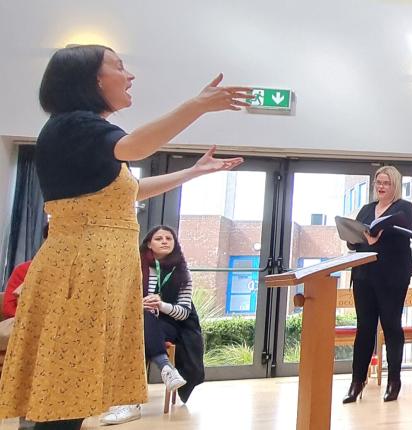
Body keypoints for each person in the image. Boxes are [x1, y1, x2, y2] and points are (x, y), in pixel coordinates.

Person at [0, 44, 246, 430]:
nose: (129, 76)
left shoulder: (79, 133)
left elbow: (128, 190)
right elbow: (137, 145)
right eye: (119, 67)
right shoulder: (75, 125)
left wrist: (193, 173)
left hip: (90, 269)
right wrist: (197, 104)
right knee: (64, 385)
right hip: (79, 271)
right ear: (93, 80)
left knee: (70, 386)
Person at [101, 226, 207, 425]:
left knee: (140, 329)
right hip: (136, 321)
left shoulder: (182, 272)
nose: (165, 241)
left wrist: (161, 305)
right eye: (159, 238)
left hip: (170, 324)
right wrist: (138, 304)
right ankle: (166, 368)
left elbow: (184, 312)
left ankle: (130, 404)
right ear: (149, 243)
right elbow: (119, 298)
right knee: (140, 323)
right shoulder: (135, 266)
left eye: (169, 238)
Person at [342, 165, 412, 403]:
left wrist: (378, 236)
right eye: (378, 182)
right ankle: (357, 380)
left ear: (395, 185)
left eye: (386, 183)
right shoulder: (366, 209)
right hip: (364, 274)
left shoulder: (404, 207)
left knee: (392, 326)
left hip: (392, 276)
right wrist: (355, 239)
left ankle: (394, 380)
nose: (381, 186)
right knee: (364, 328)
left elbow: (405, 232)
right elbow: (355, 239)